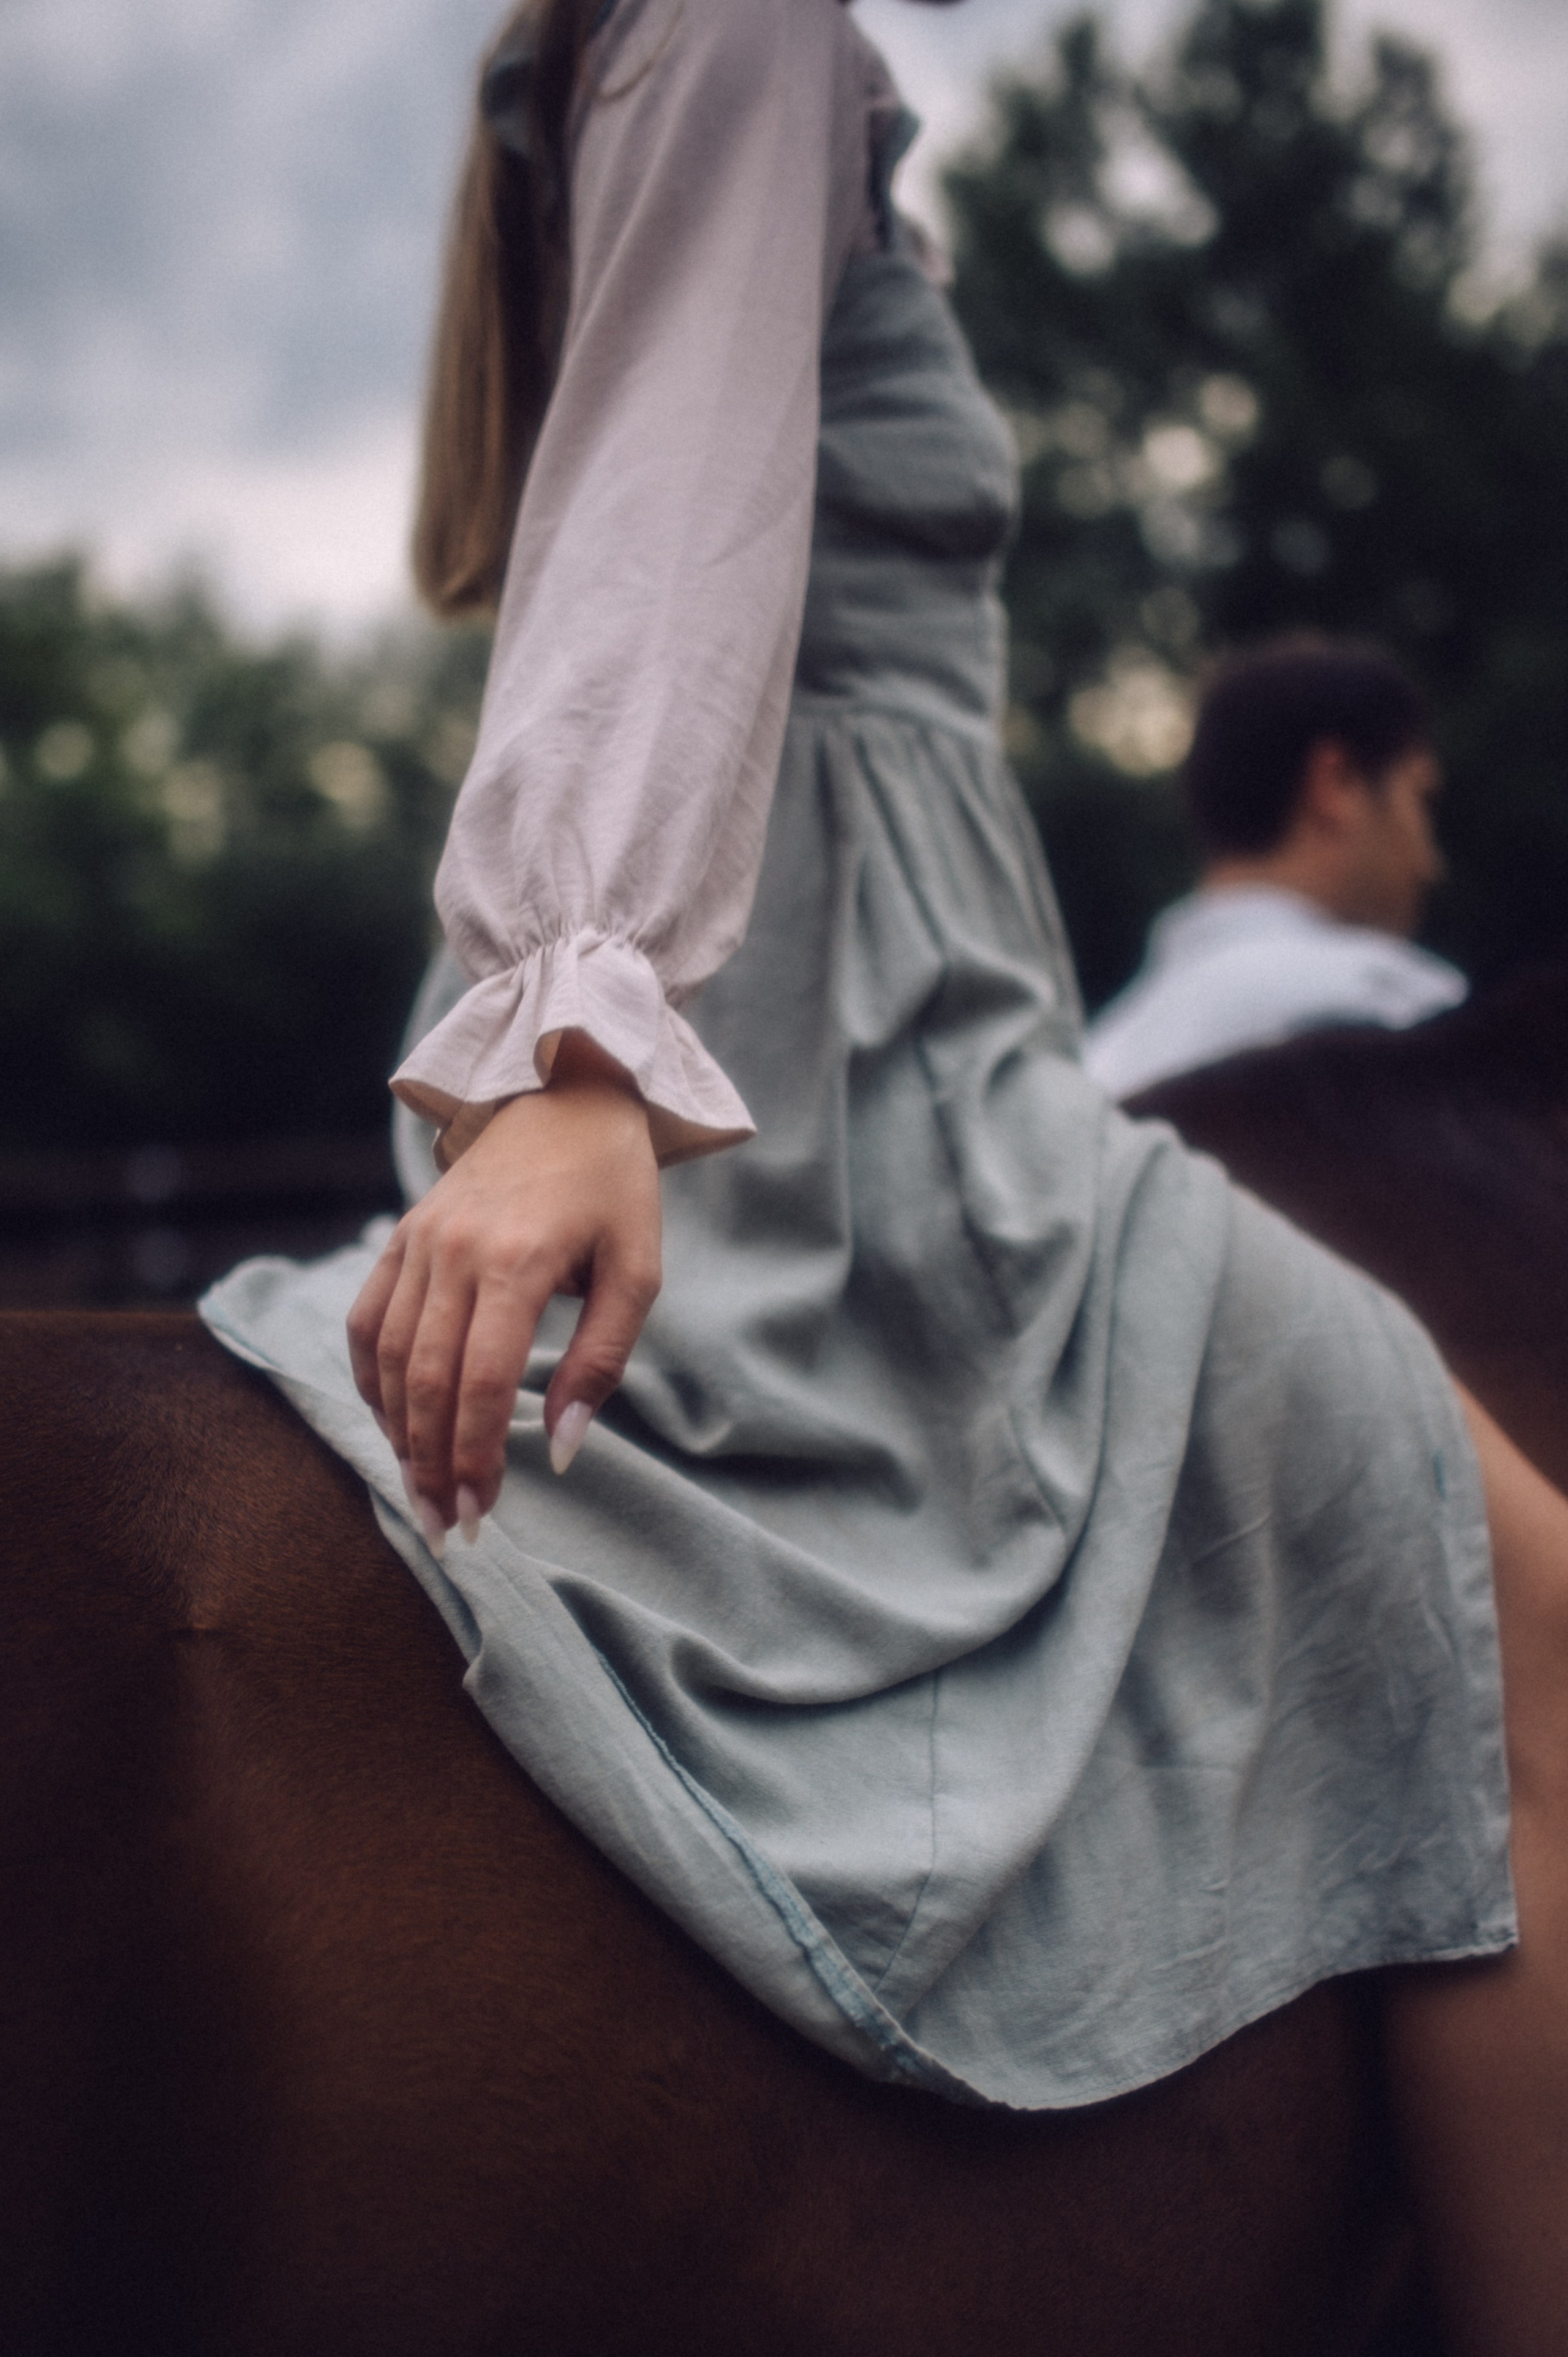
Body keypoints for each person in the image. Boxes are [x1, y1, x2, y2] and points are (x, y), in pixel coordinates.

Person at [198, 5, 1568, 2345]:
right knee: (1526, 1637)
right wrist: (576, 1030)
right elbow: (665, 519)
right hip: (861, 1102)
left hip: (822, 1042)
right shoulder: (734, 22)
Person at [1083, 639, 1468, 1099]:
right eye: (1420, 800)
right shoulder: (1408, 1015)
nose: (1431, 866)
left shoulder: (1090, 1067)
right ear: (1337, 784)